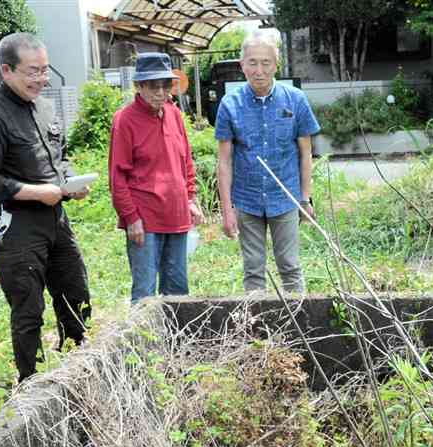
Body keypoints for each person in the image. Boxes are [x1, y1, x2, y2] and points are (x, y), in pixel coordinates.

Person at [0, 33, 91, 383]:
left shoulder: (46, 106)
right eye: (32, 72)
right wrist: (37, 193)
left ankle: (78, 366)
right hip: (18, 227)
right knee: (28, 308)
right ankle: (31, 382)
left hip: (56, 219)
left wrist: (70, 183)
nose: (42, 78)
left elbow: (59, 157)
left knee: (75, 293)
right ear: (6, 71)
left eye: (44, 70)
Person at [214, 31, 320, 293]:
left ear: (276, 65)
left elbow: (306, 153)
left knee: (290, 266)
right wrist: (227, 210)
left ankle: (298, 326)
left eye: (265, 63)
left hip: (285, 197)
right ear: (242, 65)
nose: (258, 70)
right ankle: (256, 330)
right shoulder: (230, 104)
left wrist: (305, 199)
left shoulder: (295, 100)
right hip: (247, 200)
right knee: (253, 269)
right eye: (252, 62)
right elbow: (224, 161)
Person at [108, 52, 204, 304]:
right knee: (145, 294)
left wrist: (191, 198)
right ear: (139, 86)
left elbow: (186, 161)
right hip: (145, 220)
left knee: (178, 292)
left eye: (165, 85)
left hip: (177, 214)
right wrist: (131, 218)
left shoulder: (173, 114)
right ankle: (144, 344)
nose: (160, 92)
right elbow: (117, 176)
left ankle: (176, 343)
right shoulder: (124, 120)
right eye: (152, 86)